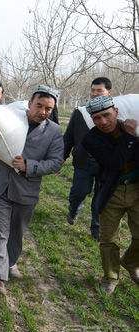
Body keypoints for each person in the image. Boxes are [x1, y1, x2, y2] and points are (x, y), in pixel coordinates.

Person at [0, 85, 64, 295]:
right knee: (0, 234)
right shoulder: (9, 119)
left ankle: (10, 262)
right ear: (29, 104)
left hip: (26, 191)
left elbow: (56, 162)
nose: (43, 112)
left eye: (48, 108)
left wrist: (30, 166)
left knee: (16, 233)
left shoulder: (54, 131)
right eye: (39, 106)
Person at [82, 96, 138, 294]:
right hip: (111, 192)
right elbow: (114, 163)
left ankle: (130, 262)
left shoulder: (133, 126)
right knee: (109, 239)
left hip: (136, 190)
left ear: (116, 111)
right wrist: (130, 137)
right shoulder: (91, 139)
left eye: (106, 115)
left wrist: (131, 134)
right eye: (97, 118)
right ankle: (110, 276)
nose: (103, 122)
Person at [64, 77, 112, 240]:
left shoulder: (114, 113)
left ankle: (96, 228)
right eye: (93, 90)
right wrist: (60, 158)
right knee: (79, 191)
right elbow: (69, 137)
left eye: (99, 91)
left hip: (106, 165)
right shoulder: (80, 112)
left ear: (108, 93)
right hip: (83, 162)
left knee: (101, 198)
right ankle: (74, 208)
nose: (95, 94)